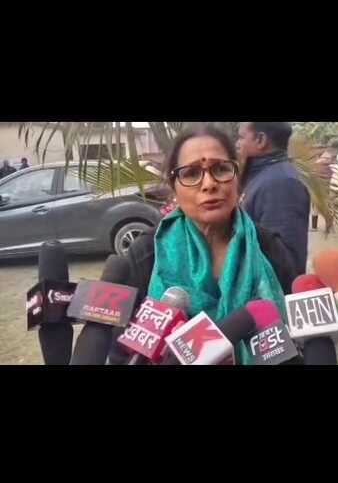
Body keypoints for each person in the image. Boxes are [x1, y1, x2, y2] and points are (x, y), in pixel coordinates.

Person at [109, 125, 298, 366]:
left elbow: (295, 345)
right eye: (191, 173)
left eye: (220, 169)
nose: (209, 184)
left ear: (237, 178)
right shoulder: (147, 253)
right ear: (174, 186)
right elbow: (120, 352)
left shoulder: (269, 249)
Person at [237, 122, 311, 275]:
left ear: (260, 140)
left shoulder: (282, 184)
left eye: (241, 137)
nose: (238, 144)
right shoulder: (261, 176)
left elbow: (285, 262)